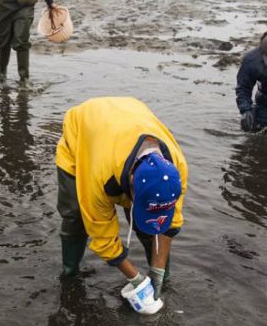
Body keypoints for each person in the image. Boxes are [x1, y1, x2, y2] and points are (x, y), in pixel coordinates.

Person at [55, 97, 188, 307]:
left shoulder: (175, 169)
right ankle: (70, 276)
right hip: (82, 136)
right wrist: (136, 279)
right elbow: (101, 233)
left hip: (126, 120)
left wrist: (157, 272)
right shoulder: (99, 175)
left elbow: (170, 223)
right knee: (76, 218)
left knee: (149, 228)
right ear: (131, 185)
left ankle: (164, 281)